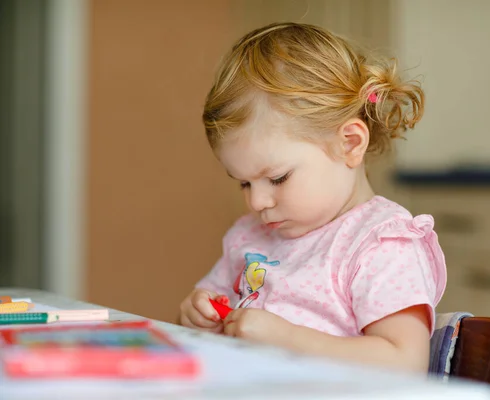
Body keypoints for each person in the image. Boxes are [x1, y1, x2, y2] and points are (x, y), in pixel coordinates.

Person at [179, 22, 446, 373]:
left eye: (277, 178)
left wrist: (287, 337)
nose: (257, 202)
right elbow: (211, 311)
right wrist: (198, 314)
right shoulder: (249, 236)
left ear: (349, 144)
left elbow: (405, 363)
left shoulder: (380, 245)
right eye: (244, 183)